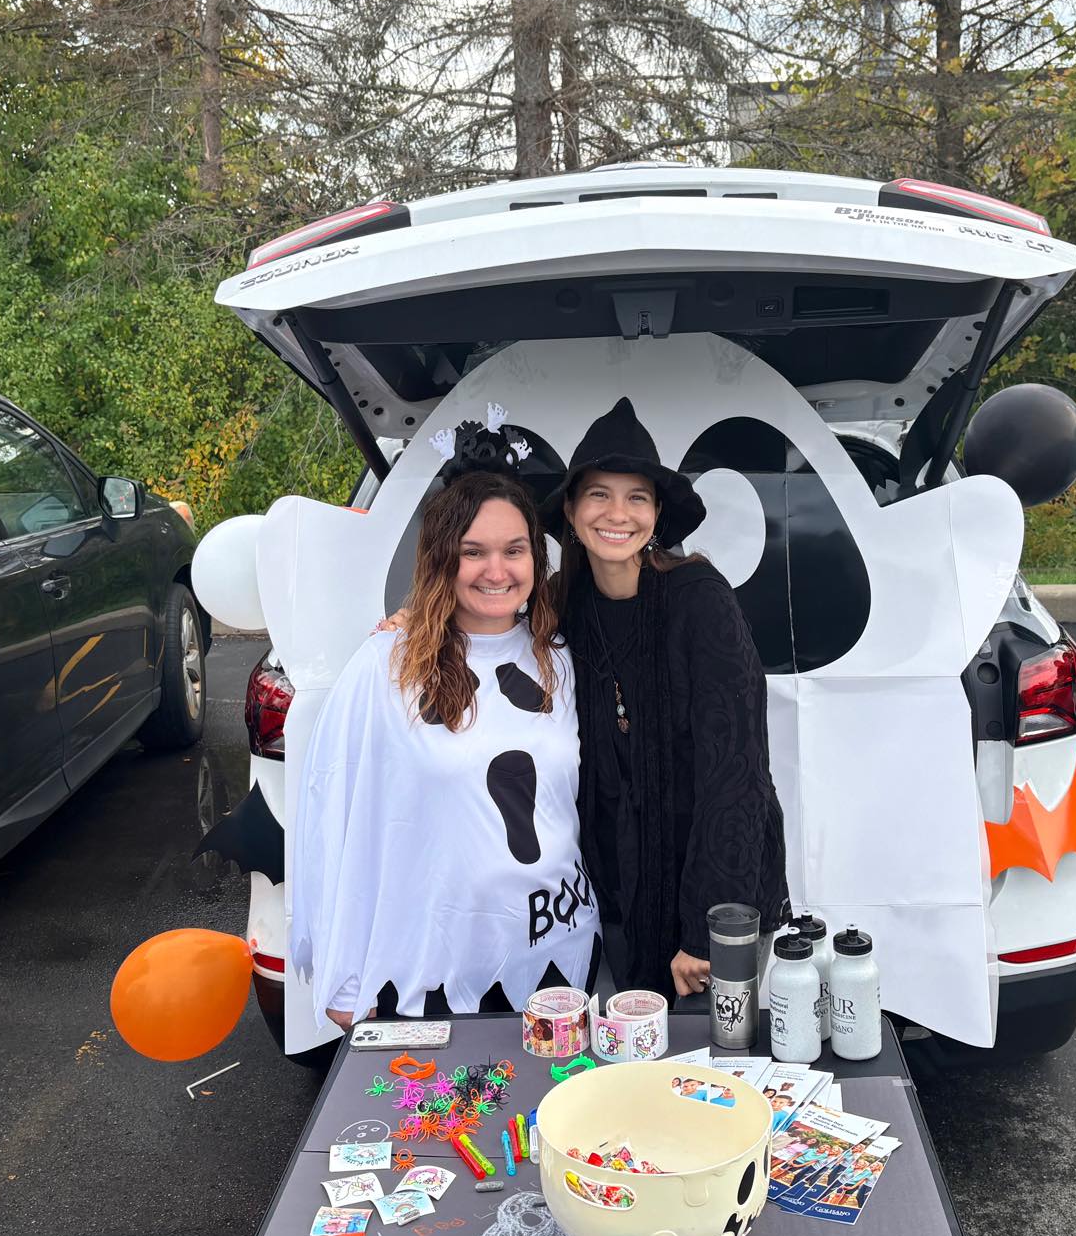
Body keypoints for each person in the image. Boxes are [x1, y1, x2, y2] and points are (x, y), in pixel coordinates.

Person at [289, 436, 599, 1029]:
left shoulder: (559, 658)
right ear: (440, 558)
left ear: (536, 558)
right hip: (430, 965)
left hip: (557, 949)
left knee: (546, 1092)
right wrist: (346, 975)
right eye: (472, 552)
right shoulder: (388, 666)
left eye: (514, 550)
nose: (497, 571)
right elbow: (336, 810)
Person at [543, 397, 791, 998]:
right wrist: (408, 622)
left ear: (656, 515)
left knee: (711, 1049)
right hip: (613, 890)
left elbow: (737, 773)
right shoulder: (561, 602)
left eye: (637, 497)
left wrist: (710, 929)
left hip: (711, 888)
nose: (617, 514)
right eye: (598, 494)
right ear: (572, 511)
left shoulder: (699, 600)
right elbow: (480, 624)